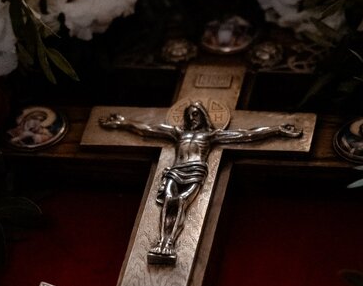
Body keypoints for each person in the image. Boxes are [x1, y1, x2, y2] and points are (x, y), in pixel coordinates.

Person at [100, 102, 301, 264]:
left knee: (180, 202)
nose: (192, 118)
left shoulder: (210, 135)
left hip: (195, 171)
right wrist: (123, 123)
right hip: (176, 171)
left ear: (203, 116)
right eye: (189, 115)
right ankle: (161, 241)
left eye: (196, 114)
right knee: (168, 201)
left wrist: (276, 130)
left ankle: (170, 243)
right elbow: (148, 129)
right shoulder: (178, 133)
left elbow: (246, 135)